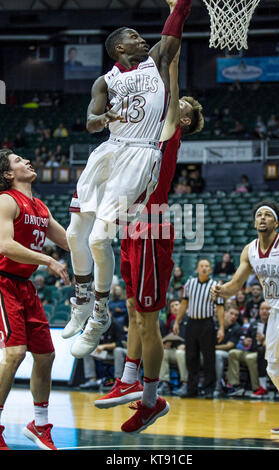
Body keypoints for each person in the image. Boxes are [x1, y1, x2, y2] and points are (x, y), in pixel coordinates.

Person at [87, 10, 204, 434]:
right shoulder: (145, 130)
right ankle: (129, 380)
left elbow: (169, 78)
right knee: (136, 310)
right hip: (134, 224)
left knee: (147, 318)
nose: (176, 101)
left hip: (152, 224)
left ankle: (151, 398)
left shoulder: (169, 131)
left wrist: (177, 12)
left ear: (184, 120)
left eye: (181, 105)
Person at [63, 0, 193, 366]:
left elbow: (175, 28)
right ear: (120, 47)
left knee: (101, 238)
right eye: (134, 36)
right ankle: (82, 298)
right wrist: (104, 116)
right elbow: (89, 122)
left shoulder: (157, 61)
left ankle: (100, 313)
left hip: (141, 154)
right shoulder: (105, 80)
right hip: (109, 150)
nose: (142, 39)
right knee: (76, 234)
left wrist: (181, 3)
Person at [211, 200, 279, 442]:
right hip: (275, 313)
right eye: (258, 215)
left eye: (267, 215)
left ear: (276, 222)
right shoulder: (249, 250)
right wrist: (221, 291)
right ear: (254, 222)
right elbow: (235, 285)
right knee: (272, 366)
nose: (262, 218)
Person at [0, 148, 70, 450]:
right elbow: (5, 245)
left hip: (25, 286)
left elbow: (68, 240)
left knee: (45, 356)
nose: (27, 161)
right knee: (15, 354)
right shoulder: (5, 200)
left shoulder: (40, 207)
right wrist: (49, 261)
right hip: (2, 282)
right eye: (18, 160)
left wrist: (100, 240)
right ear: (7, 174)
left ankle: (39, 425)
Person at [173, 259, 225, 398]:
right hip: (191, 323)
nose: (204, 268)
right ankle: (192, 389)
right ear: (197, 269)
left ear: (210, 270)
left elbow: (220, 308)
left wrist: (221, 327)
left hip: (207, 324)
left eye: (206, 266)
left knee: (209, 357)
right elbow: (184, 303)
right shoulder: (190, 283)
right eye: (201, 266)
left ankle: (208, 389)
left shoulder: (215, 285)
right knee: (190, 357)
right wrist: (177, 322)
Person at [79, 312, 127, 390]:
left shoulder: (116, 325)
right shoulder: (98, 326)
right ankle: (92, 380)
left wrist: (104, 346)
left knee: (117, 350)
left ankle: (118, 381)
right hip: (105, 354)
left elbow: (121, 344)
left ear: (110, 315)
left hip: (119, 354)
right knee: (87, 351)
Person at [214, 303, 241, 397]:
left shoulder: (237, 327)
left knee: (218, 354)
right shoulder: (215, 324)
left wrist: (211, 348)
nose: (233, 317)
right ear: (224, 313)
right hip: (211, 352)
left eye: (236, 315)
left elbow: (229, 346)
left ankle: (217, 388)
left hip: (228, 354)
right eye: (231, 313)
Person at [250, 301, 270, 398]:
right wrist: (245, 340)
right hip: (252, 350)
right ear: (259, 311)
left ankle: (263, 387)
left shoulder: (274, 324)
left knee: (261, 351)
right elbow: (245, 337)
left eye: (267, 309)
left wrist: (263, 340)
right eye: (262, 309)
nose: (264, 311)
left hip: (267, 352)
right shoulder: (254, 323)